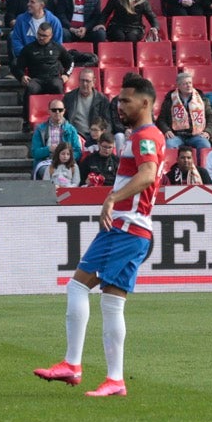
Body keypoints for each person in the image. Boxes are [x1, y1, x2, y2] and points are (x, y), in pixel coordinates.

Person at [34, 76, 165, 397]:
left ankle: (73, 364)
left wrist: (111, 198)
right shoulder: (150, 136)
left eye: (126, 101)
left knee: (78, 286)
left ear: (145, 103)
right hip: (137, 228)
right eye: (119, 100)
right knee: (111, 302)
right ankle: (115, 380)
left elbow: (147, 174)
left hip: (125, 227)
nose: (120, 106)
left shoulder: (144, 136)